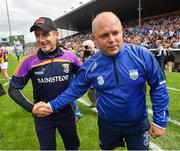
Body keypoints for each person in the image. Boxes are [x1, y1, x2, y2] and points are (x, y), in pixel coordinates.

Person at [34, 12, 170, 150]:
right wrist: (51, 106)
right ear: (94, 39)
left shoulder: (142, 55)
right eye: (104, 35)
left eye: (115, 33)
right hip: (107, 125)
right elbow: (74, 91)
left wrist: (159, 121)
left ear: (122, 32)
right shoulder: (90, 66)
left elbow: (158, 87)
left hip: (138, 124)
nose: (111, 39)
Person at [8, 17, 80, 150]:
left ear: (56, 35)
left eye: (46, 34)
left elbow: (84, 78)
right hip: (43, 115)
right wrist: (32, 108)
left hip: (67, 113)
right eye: (37, 35)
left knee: (73, 146)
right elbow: (13, 89)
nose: (41, 40)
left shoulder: (70, 57)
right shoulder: (28, 61)